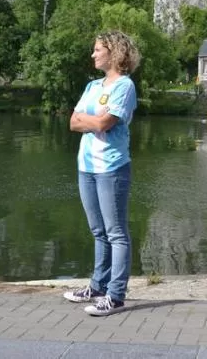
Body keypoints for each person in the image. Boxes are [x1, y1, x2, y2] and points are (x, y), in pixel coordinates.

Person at [62, 30, 140, 317]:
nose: (93, 55)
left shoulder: (125, 86)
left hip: (112, 167)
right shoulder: (93, 86)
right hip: (87, 166)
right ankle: (97, 287)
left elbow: (105, 123)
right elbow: (72, 122)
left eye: (97, 50)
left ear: (114, 52)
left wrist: (90, 120)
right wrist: (90, 121)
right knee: (98, 232)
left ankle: (116, 295)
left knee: (116, 232)